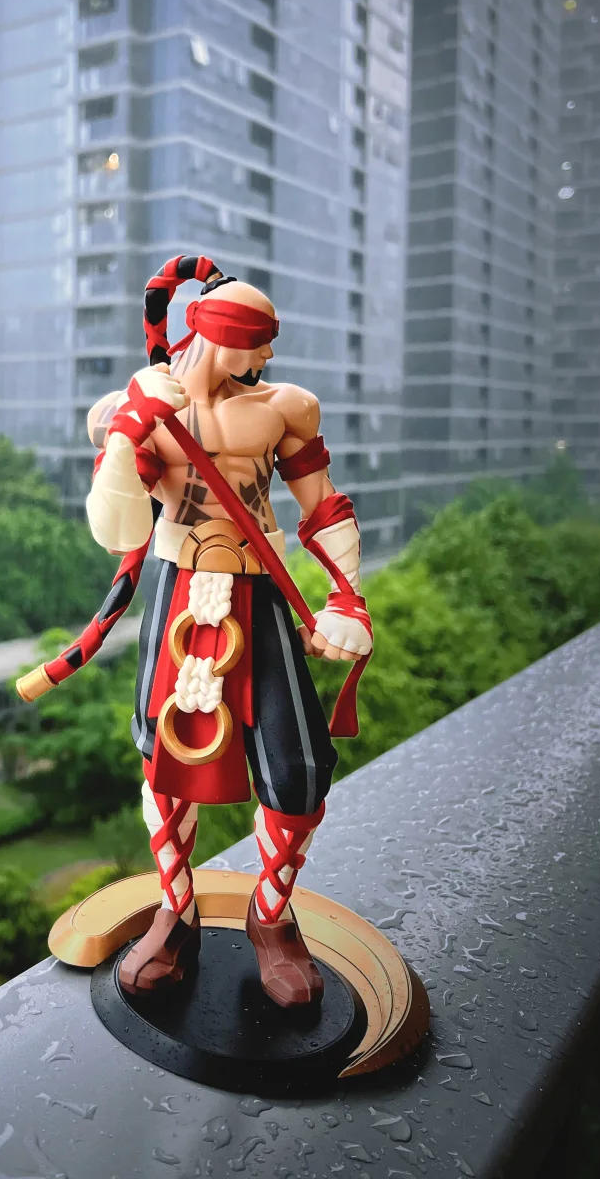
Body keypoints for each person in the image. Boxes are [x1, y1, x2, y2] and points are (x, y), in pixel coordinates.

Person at [81, 256, 373, 1007]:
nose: (267, 355)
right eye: (258, 340)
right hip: (178, 588)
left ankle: (270, 915)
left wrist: (348, 599)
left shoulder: (286, 408)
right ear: (219, 336)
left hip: (260, 589)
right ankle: (174, 911)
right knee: (164, 762)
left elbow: (323, 505)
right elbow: (116, 529)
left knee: (299, 767)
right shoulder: (142, 404)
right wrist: (127, 437)